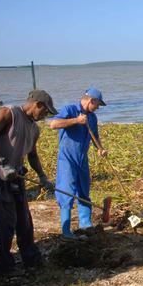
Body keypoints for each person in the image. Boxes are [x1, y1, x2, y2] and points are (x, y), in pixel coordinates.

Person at [0, 89, 57, 275]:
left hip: (16, 174)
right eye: (45, 111)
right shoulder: (9, 113)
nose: (45, 116)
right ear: (37, 104)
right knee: (5, 220)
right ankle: (5, 266)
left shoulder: (34, 128)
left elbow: (33, 155)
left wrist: (42, 177)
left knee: (24, 219)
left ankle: (31, 258)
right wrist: (1, 163)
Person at [49, 88, 107, 239]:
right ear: (91, 100)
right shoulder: (70, 109)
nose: (98, 108)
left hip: (82, 159)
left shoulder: (92, 118)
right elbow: (53, 124)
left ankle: (85, 224)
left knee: (84, 189)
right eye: (97, 104)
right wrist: (76, 120)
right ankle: (66, 230)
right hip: (67, 158)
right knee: (66, 191)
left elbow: (95, 136)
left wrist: (100, 149)